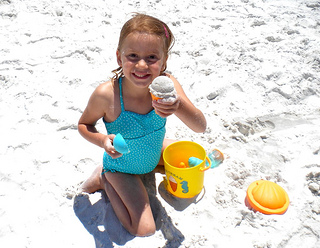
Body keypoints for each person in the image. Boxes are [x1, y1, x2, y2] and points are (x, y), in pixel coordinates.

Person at [78, 13, 206, 237]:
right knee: (145, 229)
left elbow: (200, 126)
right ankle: (104, 179)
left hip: (152, 152)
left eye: (152, 57)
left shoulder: (168, 87)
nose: (141, 65)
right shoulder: (107, 95)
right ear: (119, 57)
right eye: (133, 55)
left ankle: (151, 168)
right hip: (122, 167)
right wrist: (102, 141)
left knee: (192, 157)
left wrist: (178, 107)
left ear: (164, 61)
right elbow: (83, 125)